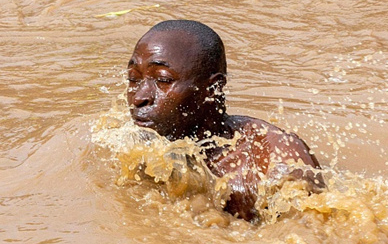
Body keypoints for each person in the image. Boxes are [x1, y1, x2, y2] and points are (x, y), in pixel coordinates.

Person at [126, 19, 321, 220]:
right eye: (133, 78)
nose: (139, 97)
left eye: (163, 80)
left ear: (213, 88)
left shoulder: (273, 160)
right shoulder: (139, 150)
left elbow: (310, 238)